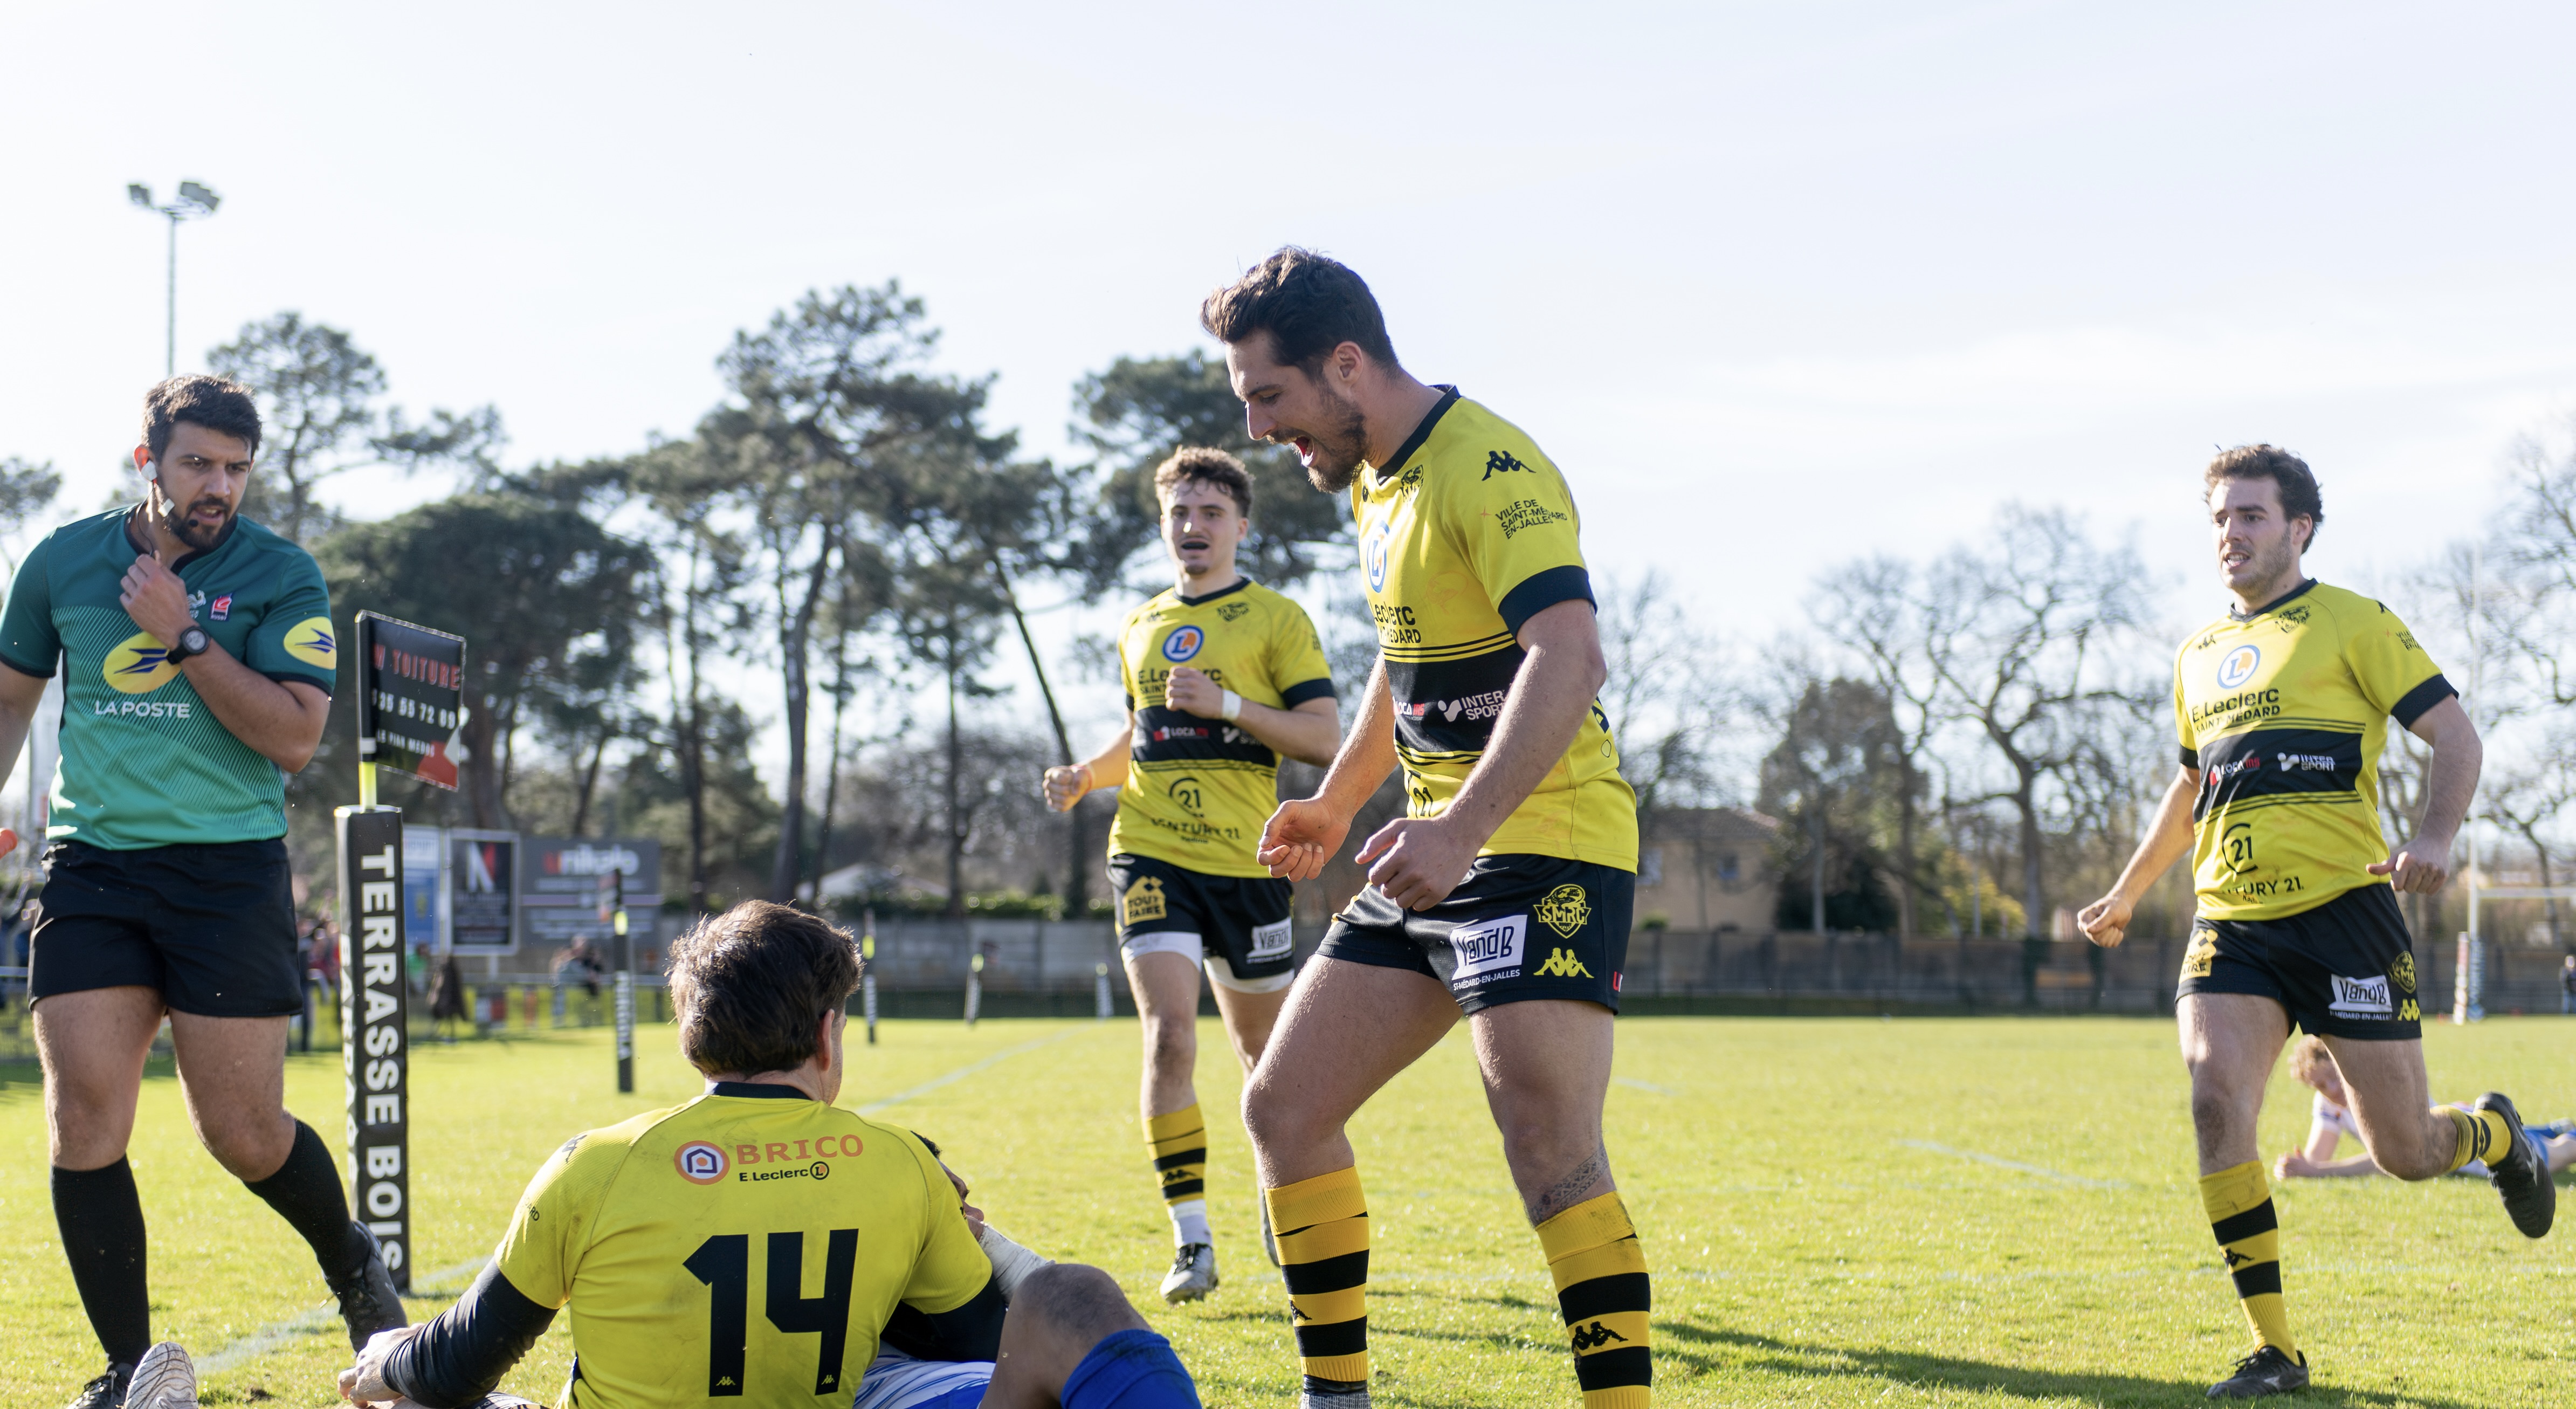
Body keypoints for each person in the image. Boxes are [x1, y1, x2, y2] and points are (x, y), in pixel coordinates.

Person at [1207, 249, 1652, 1409]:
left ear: (1346, 364)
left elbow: (1569, 653)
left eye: (1270, 395)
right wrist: (1339, 799)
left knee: (1547, 1145)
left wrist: (1455, 828)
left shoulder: (1489, 467)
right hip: (1433, 848)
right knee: (1283, 1108)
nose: (1259, 428)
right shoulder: (1376, 484)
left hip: (1544, 844)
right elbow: (1401, 661)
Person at [2078, 444, 2552, 1399]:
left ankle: (2498, 1136)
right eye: (2219, 518)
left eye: (2249, 515)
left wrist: (2433, 835)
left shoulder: (2352, 621)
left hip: (2343, 914)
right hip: (2232, 921)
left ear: (2298, 528)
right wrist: (2128, 890)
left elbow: (2455, 736)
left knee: (2403, 1151)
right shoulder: (2195, 655)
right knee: (2215, 1101)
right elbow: (2190, 786)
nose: (2230, 534)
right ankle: (2274, 1351)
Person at [325, 899, 1199, 1409]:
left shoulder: (591, 1163)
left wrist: (390, 1354)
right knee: (1069, 1297)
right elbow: (982, 1345)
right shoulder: (900, 1163)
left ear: (693, 1041)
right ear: (826, 1034)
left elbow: (458, 1363)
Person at [0, 376, 403, 1409]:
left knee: (243, 1132)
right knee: (84, 1113)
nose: (217, 485)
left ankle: (354, 1264)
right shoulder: (61, 561)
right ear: (149, 461)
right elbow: (10, 698)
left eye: (235, 468)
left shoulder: (281, 572)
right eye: (196, 464)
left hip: (226, 873)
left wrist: (184, 635)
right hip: (93, 866)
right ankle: (129, 1370)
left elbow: (295, 736)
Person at [1040, 446, 1341, 1302]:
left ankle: (1279, 1195)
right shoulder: (1140, 624)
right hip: (1150, 850)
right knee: (1170, 1035)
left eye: (1210, 512)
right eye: (1179, 512)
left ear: (1241, 526)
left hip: (1247, 864)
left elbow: (1324, 736)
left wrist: (1229, 705)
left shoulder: (1276, 618)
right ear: (1163, 525)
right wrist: (1085, 776)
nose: (1193, 526)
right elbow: (1138, 735)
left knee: (1264, 1061)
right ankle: (1192, 1242)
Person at [2276, 1036, 2576, 1180]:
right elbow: (2316, 1160)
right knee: (2534, 1139)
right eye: (2320, 1085)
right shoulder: (2329, 1103)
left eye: (2334, 1077)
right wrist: (2298, 1167)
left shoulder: (2372, 1088)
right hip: (2455, 1129)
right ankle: (2556, 1129)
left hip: (2462, 1139)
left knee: (2545, 1162)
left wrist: (2316, 1172)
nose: (2332, 1090)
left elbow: (2385, 1159)